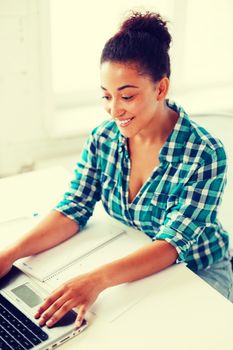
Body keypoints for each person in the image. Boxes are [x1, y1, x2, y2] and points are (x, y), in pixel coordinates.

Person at [0, 10, 232, 329]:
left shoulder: (205, 153)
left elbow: (172, 244)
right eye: (106, 96)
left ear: (161, 88)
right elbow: (74, 207)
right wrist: (9, 254)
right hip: (133, 258)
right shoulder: (104, 138)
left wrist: (97, 280)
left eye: (127, 96)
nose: (114, 110)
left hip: (198, 269)